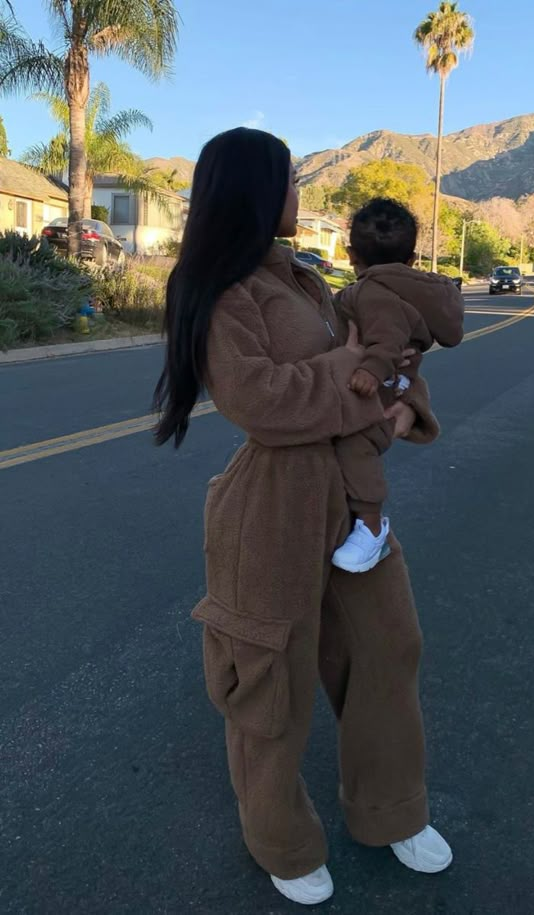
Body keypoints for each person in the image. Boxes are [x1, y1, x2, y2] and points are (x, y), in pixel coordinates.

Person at [153, 128, 453, 907]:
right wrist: (350, 371)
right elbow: (258, 398)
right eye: (290, 181)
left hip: (352, 498)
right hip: (272, 505)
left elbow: (386, 360)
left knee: (389, 646)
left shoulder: (311, 282)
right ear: (255, 193)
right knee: (271, 681)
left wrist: (397, 406)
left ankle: (391, 811)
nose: (300, 195)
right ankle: (279, 836)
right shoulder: (221, 291)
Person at [330, 198, 464, 574]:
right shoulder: (407, 288)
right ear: (411, 259)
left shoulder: (372, 291)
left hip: (378, 387)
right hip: (393, 384)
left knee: (356, 446)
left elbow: (387, 339)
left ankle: (371, 527)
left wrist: (370, 370)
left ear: (351, 253)